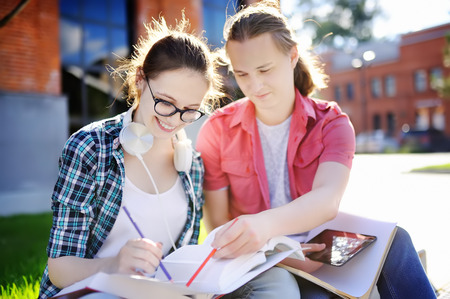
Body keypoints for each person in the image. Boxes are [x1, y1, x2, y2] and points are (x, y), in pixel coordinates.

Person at [196, 1, 436, 298]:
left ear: (292, 55)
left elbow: (326, 201)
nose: (255, 85)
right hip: (259, 261)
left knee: (396, 240)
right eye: (242, 74)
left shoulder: (331, 123)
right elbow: (218, 225)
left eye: (265, 69)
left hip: (320, 251)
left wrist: (264, 224)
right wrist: (269, 245)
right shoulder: (217, 130)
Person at [39, 16, 224, 299]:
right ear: (139, 80)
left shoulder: (191, 163)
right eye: (165, 102)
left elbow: (183, 261)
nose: (175, 120)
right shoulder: (90, 147)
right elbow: (59, 270)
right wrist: (115, 265)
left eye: (190, 110)